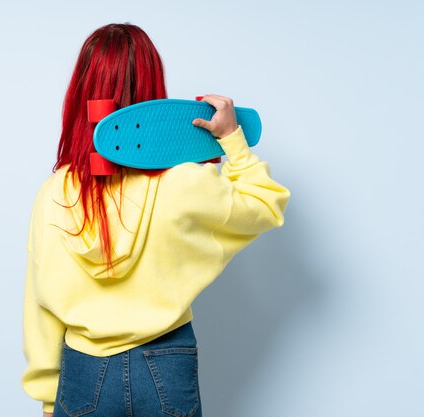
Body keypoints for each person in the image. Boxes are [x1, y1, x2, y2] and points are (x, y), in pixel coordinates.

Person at [21, 22, 291, 417]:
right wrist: (232, 138)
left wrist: (48, 396)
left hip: (82, 371)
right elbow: (266, 204)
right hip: (166, 362)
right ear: (152, 93)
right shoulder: (185, 182)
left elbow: (39, 304)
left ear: (80, 92)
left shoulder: (56, 193)